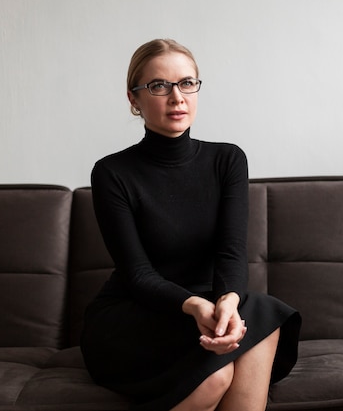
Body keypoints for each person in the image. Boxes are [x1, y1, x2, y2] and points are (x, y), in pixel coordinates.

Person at [80, 39, 301, 411]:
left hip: (212, 305)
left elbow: (231, 252)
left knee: (263, 311)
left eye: (186, 83)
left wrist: (227, 301)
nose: (176, 97)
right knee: (215, 375)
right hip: (138, 315)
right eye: (158, 86)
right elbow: (138, 275)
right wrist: (196, 306)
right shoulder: (112, 173)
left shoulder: (227, 160)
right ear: (134, 99)